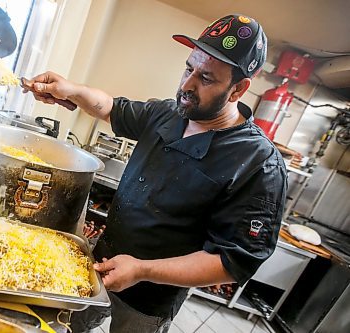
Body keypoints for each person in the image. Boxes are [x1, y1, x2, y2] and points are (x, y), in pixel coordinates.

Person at [23, 14, 287, 333]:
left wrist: (143, 270)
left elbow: (233, 262)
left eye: (206, 78)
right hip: (98, 264)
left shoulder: (258, 162)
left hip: (150, 299)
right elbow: (111, 107)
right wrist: (71, 90)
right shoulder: (169, 113)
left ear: (238, 89)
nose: (187, 86)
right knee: (65, 327)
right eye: (189, 69)